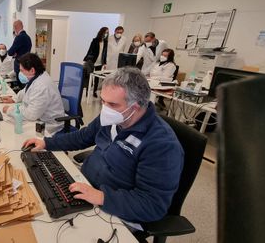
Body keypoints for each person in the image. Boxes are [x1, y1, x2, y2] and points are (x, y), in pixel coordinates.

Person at [22, 67, 184, 224]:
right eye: (103, 101)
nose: (105, 109)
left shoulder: (162, 145)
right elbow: (83, 137)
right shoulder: (115, 117)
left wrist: (101, 197)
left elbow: (152, 206)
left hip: (116, 210)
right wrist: (47, 143)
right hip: (86, 187)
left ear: (136, 106)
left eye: (112, 104)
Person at [1, 53, 65, 134]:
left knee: (14, 132)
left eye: (21, 70)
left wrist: (10, 110)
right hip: (39, 118)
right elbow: (25, 92)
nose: (20, 73)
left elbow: (31, 115)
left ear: (32, 70)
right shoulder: (37, 76)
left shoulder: (42, 86)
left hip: (49, 125)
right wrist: (14, 99)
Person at [83, 27, 109, 97]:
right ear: (101, 32)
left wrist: (105, 62)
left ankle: (94, 91)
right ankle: (88, 91)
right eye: (105, 32)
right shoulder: (95, 40)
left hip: (100, 62)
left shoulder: (106, 42)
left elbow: (105, 53)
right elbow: (90, 50)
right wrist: (87, 59)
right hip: (92, 61)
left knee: (97, 78)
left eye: (107, 33)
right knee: (89, 77)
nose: (106, 34)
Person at [8, 20, 32, 88]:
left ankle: (21, 98)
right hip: (27, 63)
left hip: (20, 64)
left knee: (21, 84)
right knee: (26, 83)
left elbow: (10, 52)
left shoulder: (19, 37)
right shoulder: (28, 37)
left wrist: (15, 53)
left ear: (15, 27)